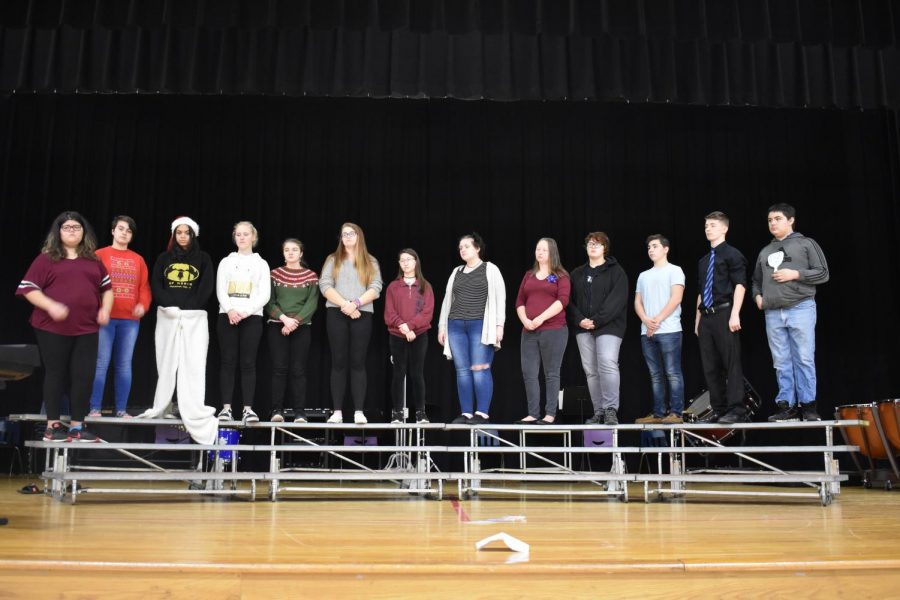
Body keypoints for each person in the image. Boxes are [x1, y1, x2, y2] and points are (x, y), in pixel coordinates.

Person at [17, 211, 113, 442]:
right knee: (56, 373)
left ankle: (78, 426)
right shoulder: (47, 258)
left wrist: (105, 310)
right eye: (66, 227)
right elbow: (28, 289)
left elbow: (107, 289)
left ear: (84, 232)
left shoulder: (93, 260)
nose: (72, 230)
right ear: (58, 232)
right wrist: (51, 306)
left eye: (76, 227)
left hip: (87, 327)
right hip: (52, 327)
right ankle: (53, 426)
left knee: (84, 376)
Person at [139, 216, 217, 445]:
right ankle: (164, 404)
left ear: (193, 235)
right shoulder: (164, 258)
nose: (183, 236)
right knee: (166, 361)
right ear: (174, 235)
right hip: (167, 316)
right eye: (179, 233)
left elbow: (206, 287)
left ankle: (191, 407)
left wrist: (189, 308)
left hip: (194, 318)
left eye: (187, 232)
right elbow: (157, 285)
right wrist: (171, 307)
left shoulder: (203, 259)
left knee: (192, 363)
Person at [752, 203, 830, 422]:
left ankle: (808, 406)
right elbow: (756, 281)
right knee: (781, 361)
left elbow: (823, 273)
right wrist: (758, 298)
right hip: (773, 312)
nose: (773, 223)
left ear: (791, 220)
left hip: (800, 307)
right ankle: (786, 406)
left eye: (777, 219)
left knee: (804, 358)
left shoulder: (806, 243)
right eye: (769, 220)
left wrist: (794, 273)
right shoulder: (765, 251)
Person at [437, 233, 506, 425]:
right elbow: (447, 300)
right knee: (462, 371)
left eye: (467, 246)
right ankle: (466, 412)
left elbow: (500, 298)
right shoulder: (456, 271)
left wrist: (499, 325)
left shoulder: (490, 269)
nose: (463, 250)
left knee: (479, 368)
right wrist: (442, 326)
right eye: (460, 247)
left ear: (477, 248)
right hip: (456, 325)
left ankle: (482, 412)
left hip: (480, 325)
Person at [88, 216, 152, 418]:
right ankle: (94, 408)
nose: (124, 233)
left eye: (129, 230)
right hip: (105, 319)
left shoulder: (138, 259)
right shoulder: (99, 255)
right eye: (121, 229)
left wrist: (143, 305)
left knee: (124, 364)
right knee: (101, 363)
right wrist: (96, 308)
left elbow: (144, 288)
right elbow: (89, 284)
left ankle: (121, 410)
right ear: (113, 231)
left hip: (129, 321)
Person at [319, 223, 383, 424]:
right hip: (336, 312)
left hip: (362, 313)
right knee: (338, 362)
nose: (347, 237)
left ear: (359, 236)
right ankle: (337, 412)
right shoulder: (333, 259)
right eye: (344, 234)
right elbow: (325, 285)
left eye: (351, 233)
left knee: (358, 362)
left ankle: (358, 411)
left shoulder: (370, 260)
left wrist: (355, 304)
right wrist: (345, 305)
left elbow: (376, 286)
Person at [694, 211, 749, 425]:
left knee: (730, 362)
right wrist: (697, 319)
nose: (708, 228)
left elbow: (740, 285)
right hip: (706, 315)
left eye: (713, 225)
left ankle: (737, 408)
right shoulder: (704, 260)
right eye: (706, 225)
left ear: (724, 228)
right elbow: (701, 290)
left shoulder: (732, 254)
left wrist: (735, 313)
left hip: (725, 312)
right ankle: (719, 408)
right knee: (710, 365)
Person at [568, 232, 628, 425]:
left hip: (609, 326)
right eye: (589, 243)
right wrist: (580, 320)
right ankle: (599, 411)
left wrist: (596, 321)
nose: (593, 246)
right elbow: (569, 302)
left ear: (605, 248)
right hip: (583, 328)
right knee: (591, 370)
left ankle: (611, 410)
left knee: (607, 363)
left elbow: (617, 301)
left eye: (597, 244)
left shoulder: (616, 271)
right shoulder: (576, 273)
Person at [216, 221, 271, 424]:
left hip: (252, 317)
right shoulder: (226, 262)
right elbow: (221, 289)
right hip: (227, 316)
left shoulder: (261, 264)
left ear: (253, 237)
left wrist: (246, 312)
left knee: (248, 363)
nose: (242, 237)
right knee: (228, 362)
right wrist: (230, 310)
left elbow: (265, 294)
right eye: (238, 234)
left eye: (246, 234)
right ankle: (226, 409)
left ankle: (248, 409)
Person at [514, 238, 570, 424]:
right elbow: (520, 301)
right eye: (538, 249)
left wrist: (540, 318)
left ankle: (549, 414)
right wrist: (525, 320)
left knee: (551, 372)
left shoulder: (561, 276)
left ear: (552, 252)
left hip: (554, 330)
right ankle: (533, 413)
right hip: (529, 331)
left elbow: (562, 301)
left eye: (544, 250)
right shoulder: (529, 275)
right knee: (529, 372)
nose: (540, 252)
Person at [265, 238, 319, 423]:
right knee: (279, 368)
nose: (290, 253)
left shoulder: (311, 276)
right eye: (287, 249)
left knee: (299, 370)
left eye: (294, 249)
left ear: (301, 253)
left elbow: (312, 303)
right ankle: (276, 410)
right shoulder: (274, 274)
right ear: (283, 253)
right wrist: (284, 319)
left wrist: (294, 322)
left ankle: (299, 412)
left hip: (302, 327)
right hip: (277, 324)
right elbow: (269, 301)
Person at [634, 235, 686, 424]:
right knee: (655, 374)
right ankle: (658, 413)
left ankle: (676, 413)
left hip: (669, 329)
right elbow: (637, 302)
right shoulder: (643, 275)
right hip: (646, 331)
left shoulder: (675, 270)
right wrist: (646, 320)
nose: (651, 250)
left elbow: (676, 298)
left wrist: (656, 320)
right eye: (648, 247)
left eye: (655, 246)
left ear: (666, 249)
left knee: (672, 372)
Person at [384, 249, 435, 424]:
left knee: (417, 373)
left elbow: (427, 313)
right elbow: (389, 312)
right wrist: (403, 327)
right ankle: (397, 412)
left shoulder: (425, 286)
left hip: (418, 335)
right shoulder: (393, 286)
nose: (405, 263)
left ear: (416, 262)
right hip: (397, 335)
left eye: (409, 259)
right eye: (402, 260)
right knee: (399, 373)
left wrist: (411, 326)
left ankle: (420, 412)